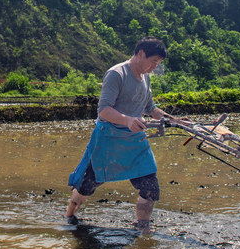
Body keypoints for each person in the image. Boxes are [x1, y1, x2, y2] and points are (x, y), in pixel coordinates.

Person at [65, 36, 181, 232]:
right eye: (154, 62)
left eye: (158, 64)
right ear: (141, 54)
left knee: (150, 188)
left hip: (135, 141)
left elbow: (150, 108)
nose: (155, 67)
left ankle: (143, 227)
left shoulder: (145, 77)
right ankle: (69, 217)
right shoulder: (116, 74)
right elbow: (103, 110)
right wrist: (128, 120)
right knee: (87, 186)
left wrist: (174, 120)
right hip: (109, 140)